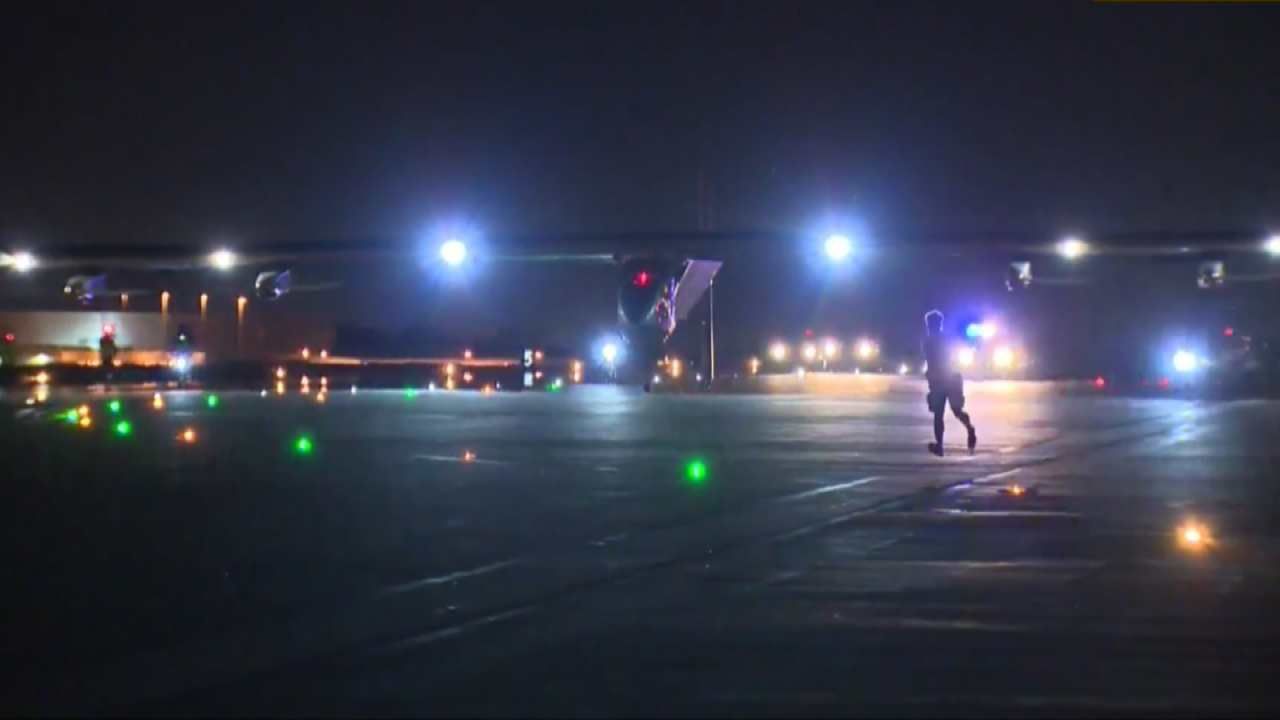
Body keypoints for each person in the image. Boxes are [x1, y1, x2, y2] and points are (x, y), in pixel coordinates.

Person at [922, 310, 976, 456]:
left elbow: (931, 362)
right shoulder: (946, 340)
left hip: (941, 380)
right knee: (956, 411)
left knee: (939, 415)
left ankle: (940, 445)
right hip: (951, 379)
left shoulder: (929, 342)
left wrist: (931, 377)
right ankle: (969, 429)